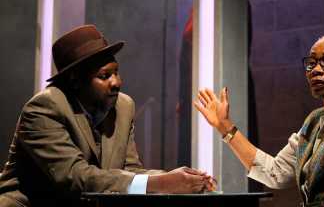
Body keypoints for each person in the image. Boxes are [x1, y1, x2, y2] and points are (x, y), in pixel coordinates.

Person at [0, 25, 214, 207]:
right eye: (104, 76)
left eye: (116, 72)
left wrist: (181, 179)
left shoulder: (123, 106)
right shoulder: (44, 108)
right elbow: (74, 177)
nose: (116, 82)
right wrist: (162, 183)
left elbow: (129, 171)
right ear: (75, 80)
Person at [195, 34, 324, 206]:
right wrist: (225, 127)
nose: (316, 70)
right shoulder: (314, 121)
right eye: (311, 63)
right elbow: (275, 173)